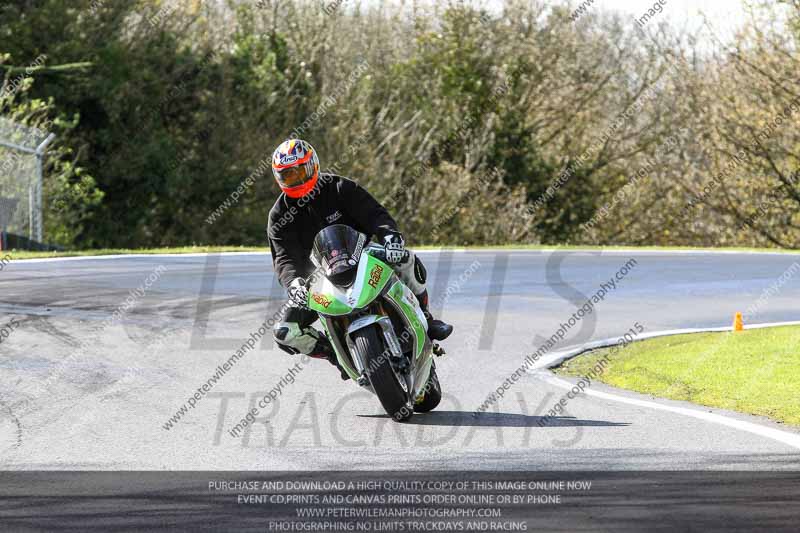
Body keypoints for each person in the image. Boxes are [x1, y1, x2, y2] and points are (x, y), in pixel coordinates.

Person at [267, 139, 453, 378]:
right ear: (278, 178)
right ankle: (336, 355)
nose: (296, 180)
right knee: (285, 331)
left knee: (406, 258)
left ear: (313, 166)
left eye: (299, 172)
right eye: (288, 176)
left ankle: (427, 318)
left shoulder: (339, 188)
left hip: (363, 256)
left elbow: (375, 214)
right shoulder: (279, 215)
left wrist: (391, 237)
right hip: (319, 279)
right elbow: (283, 258)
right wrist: (294, 284)